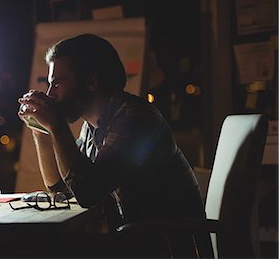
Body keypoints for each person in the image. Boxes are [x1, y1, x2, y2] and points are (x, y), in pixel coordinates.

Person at [18, 34, 205, 240]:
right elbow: (62, 189)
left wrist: (57, 125)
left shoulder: (136, 119)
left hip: (168, 246)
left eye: (57, 84)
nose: (50, 94)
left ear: (90, 82)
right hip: (138, 242)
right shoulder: (92, 128)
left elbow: (86, 192)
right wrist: (40, 131)